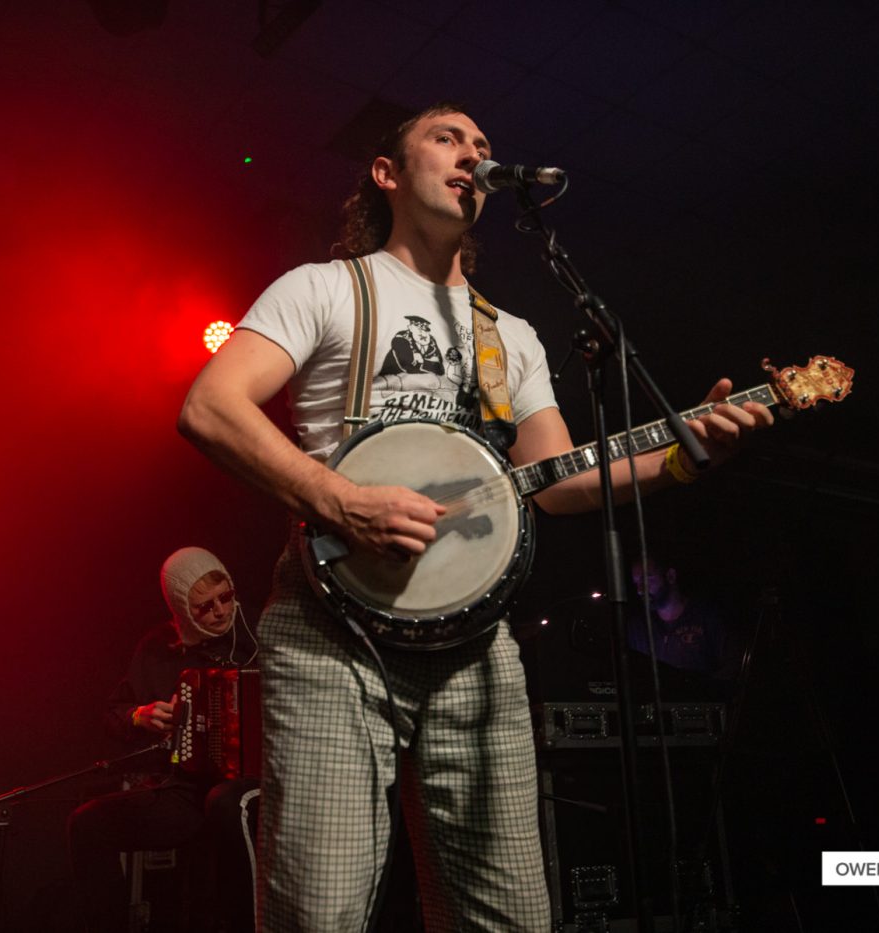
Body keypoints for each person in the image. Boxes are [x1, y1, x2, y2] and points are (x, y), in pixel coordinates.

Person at [176, 101, 773, 931]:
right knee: (320, 911)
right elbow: (210, 406)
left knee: (510, 916)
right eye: (447, 138)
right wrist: (340, 500)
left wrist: (684, 454)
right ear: (387, 174)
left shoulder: (510, 335)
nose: (473, 153)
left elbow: (557, 478)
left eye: (483, 145)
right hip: (331, 637)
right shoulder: (324, 288)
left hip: (475, 645)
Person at [67, 547, 260, 933]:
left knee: (224, 801)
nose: (221, 611)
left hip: (256, 781)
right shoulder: (157, 648)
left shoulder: (258, 631)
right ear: (182, 610)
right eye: (204, 607)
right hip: (187, 789)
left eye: (226, 596)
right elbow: (114, 713)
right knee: (87, 824)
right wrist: (140, 716)